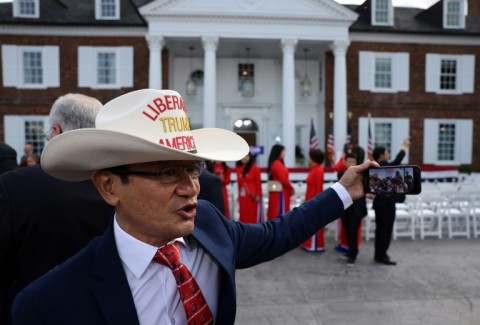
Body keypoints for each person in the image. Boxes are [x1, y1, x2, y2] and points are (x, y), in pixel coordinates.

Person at [11, 89, 377, 324]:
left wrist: (343, 191)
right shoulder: (47, 306)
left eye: (192, 167)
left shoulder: (210, 226)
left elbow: (277, 233)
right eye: (168, 172)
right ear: (109, 186)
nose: (191, 188)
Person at [0, 94, 114, 324]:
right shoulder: (121, 186)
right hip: (110, 312)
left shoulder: (14, 186)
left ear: (56, 131)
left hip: (36, 313)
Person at [372, 138, 410, 266]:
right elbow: (397, 162)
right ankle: (381, 255)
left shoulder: (376, 167)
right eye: (387, 152)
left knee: (380, 230)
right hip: (386, 205)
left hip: (379, 205)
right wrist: (404, 147)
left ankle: (379, 254)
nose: (388, 154)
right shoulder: (384, 166)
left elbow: (395, 162)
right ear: (382, 155)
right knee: (385, 231)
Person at [341, 152, 368, 267]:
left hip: (356, 209)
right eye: (349, 161)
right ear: (345, 162)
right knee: (347, 231)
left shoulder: (361, 175)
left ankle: (353, 255)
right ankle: (350, 251)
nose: (351, 164)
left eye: (353, 162)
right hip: (345, 208)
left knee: (353, 232)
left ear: (357, 163)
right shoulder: (341, 175)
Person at [301, 149, 326, 252]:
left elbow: (319, 188)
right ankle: (308, 243)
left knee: (313, 222)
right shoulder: (314, 169)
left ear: (313, 159)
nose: (308, 159)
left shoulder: (319, 170)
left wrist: (316, 203)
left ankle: (314, 245)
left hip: (314, 201)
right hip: (309, 199)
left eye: (309, 157)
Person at [266, 144, 295, 220]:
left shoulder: (276, 163)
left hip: (278, 192)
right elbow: (283, 179)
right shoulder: (277, 164)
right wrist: (291, 188)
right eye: (283, 151)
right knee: (280, 213)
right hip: (281, 193)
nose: (284, 153)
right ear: (278, 152)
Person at [235, 152, 263, 224]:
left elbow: (258, 183)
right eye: (243, 156)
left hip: (253, 197)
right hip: (243, 197)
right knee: (243, 214)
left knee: (252, 215)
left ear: (250, 157)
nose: (245, 158)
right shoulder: (238, 169)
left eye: (247, 156)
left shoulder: (255, 168)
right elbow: (239, 184)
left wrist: (258, 195)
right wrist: (239, 196)